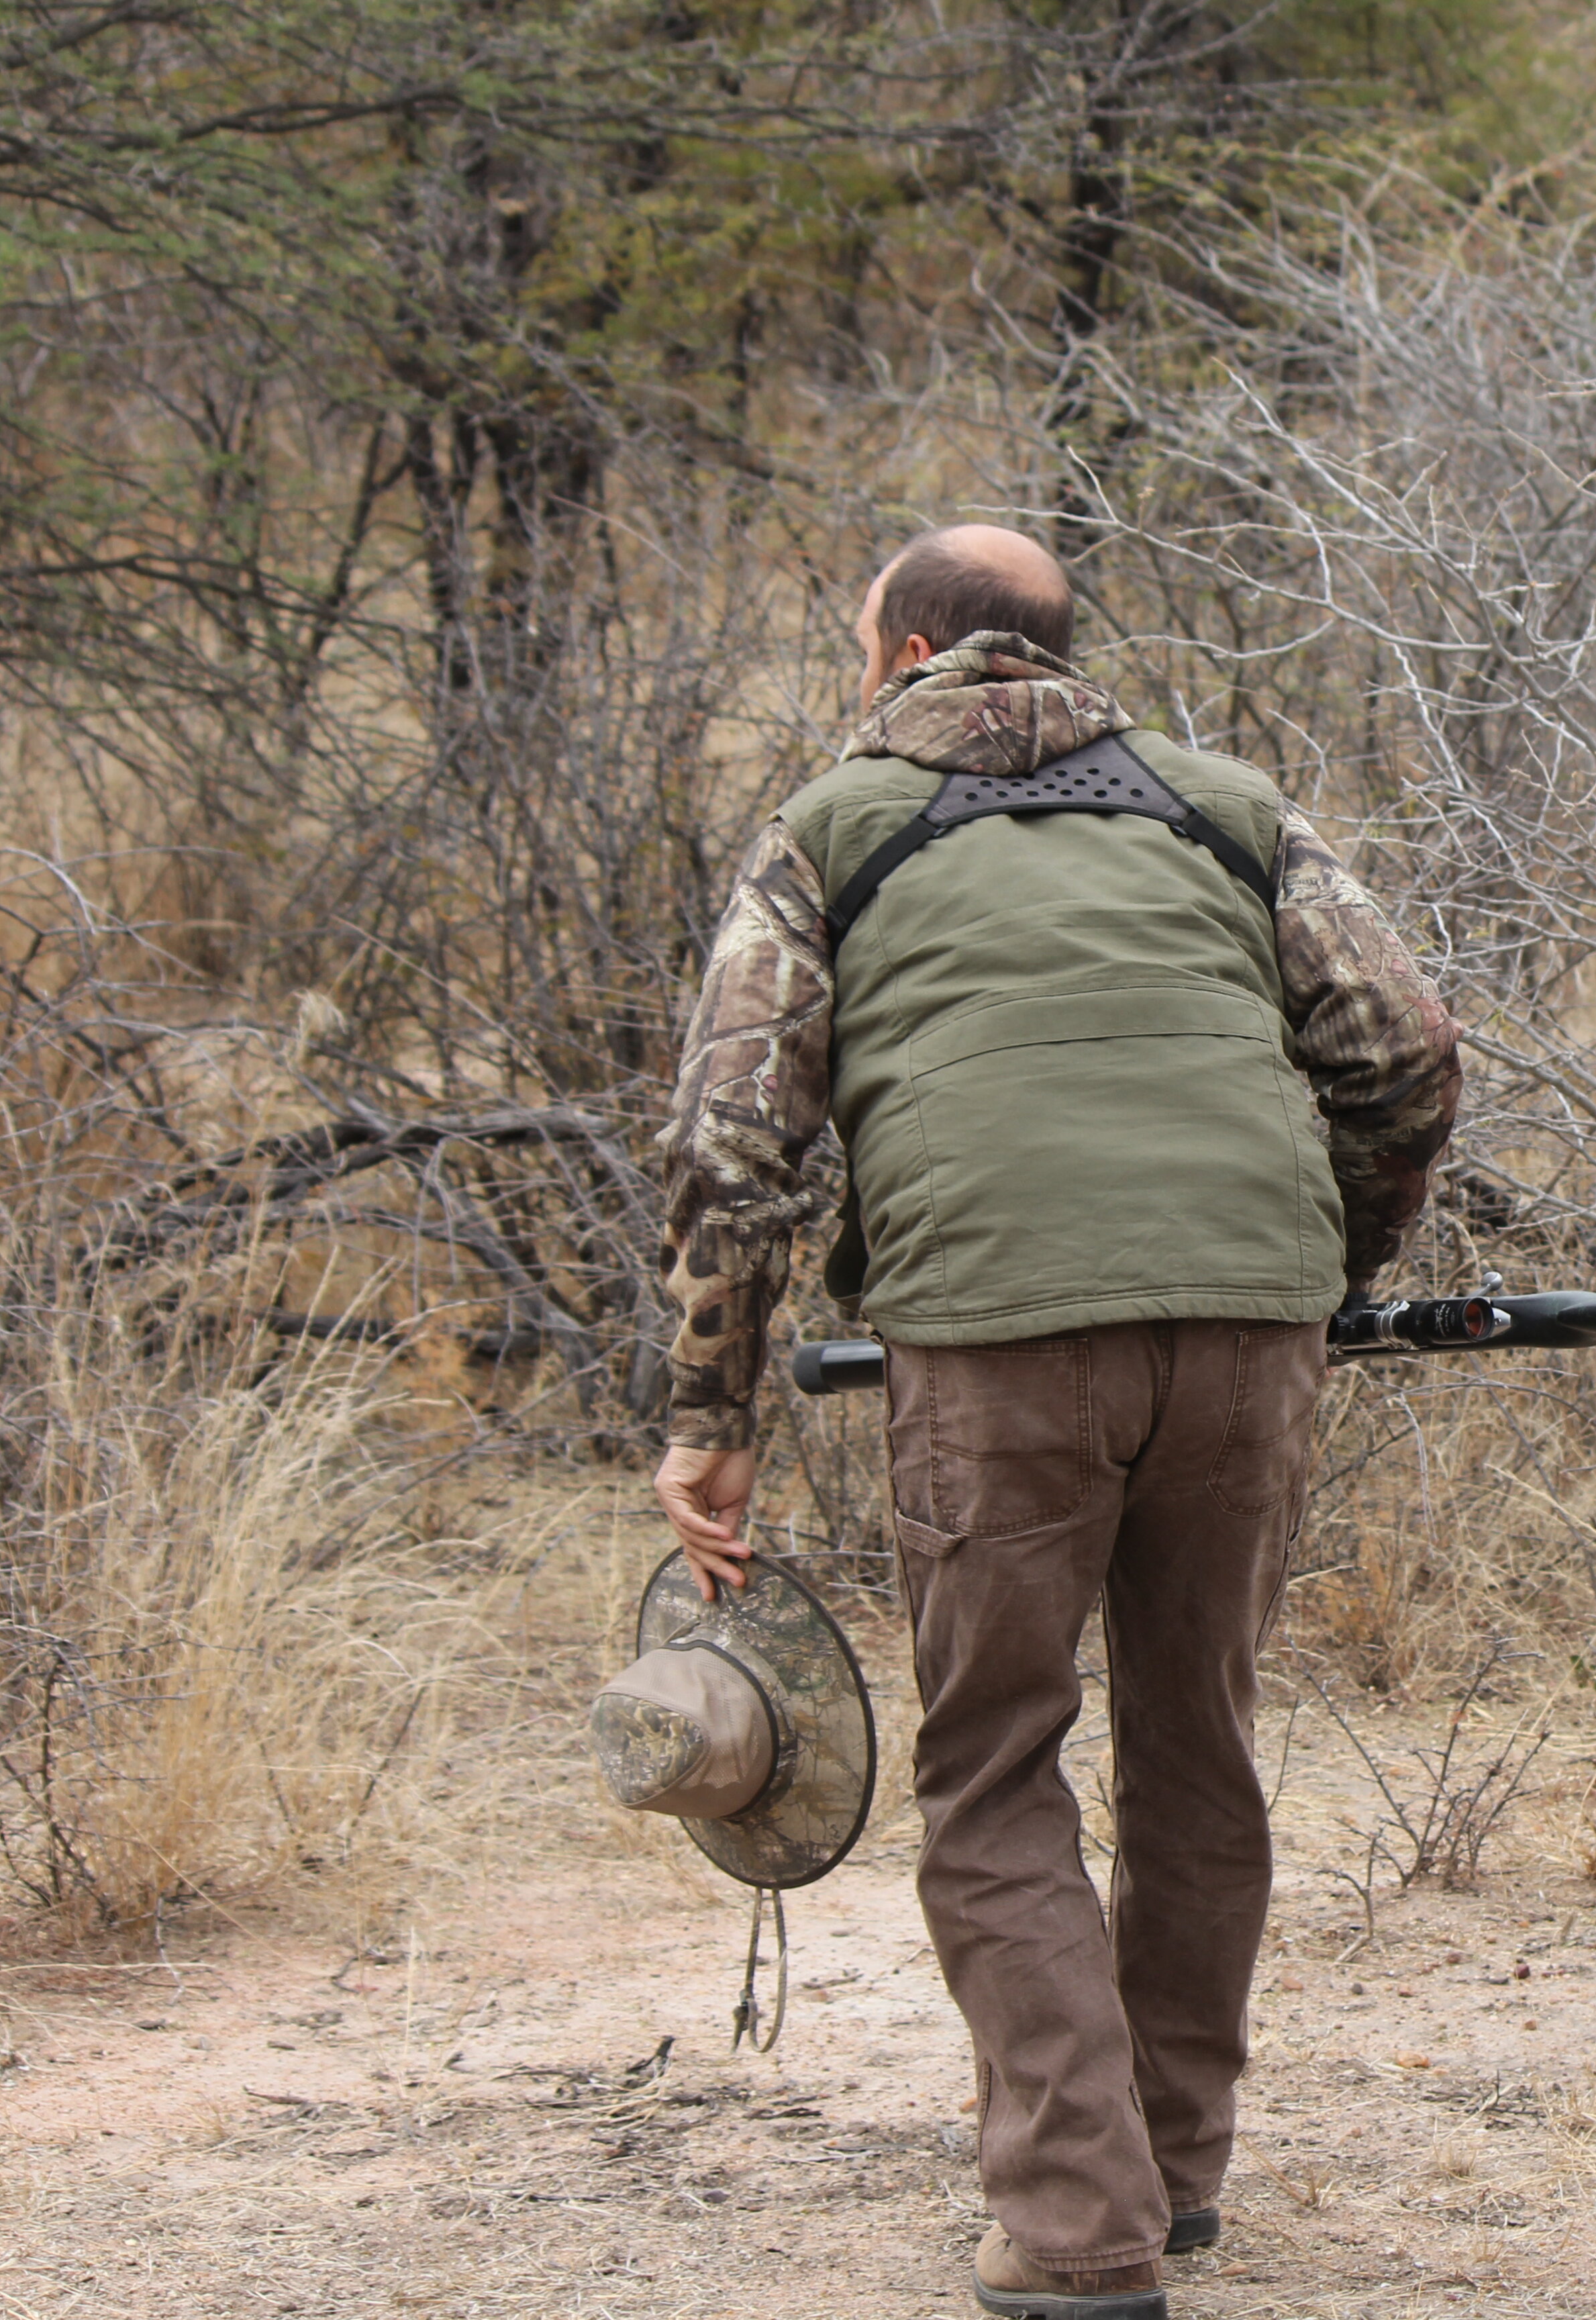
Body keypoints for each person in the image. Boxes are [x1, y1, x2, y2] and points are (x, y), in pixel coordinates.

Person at [648, 524, 1462, 2319]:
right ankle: (1171, 2180)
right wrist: (1322, 1254)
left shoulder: (831, 832)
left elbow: (728, 1144)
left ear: (911, 650)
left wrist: (714, 1420)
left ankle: (1082, 2229)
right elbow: (1403, 1052)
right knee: (1200, 1751)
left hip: (991, 1341)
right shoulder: (1225, 805)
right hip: (1247, 1332)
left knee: (996, 1764)